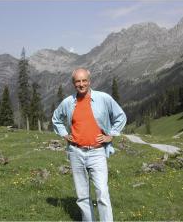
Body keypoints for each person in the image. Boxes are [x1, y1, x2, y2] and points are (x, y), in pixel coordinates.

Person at [52, 68, 127, 221]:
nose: (81, 84)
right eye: (78, 81)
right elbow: (56, 118)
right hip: (76, 152)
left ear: (89, 81)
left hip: (97, 152)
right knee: (82, 196)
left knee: (102, 193)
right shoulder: (68, 102)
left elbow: (120, 116)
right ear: (74, 84)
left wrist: (111, 135)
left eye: (84, 80)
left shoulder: (103, 98)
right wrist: (65, 134)